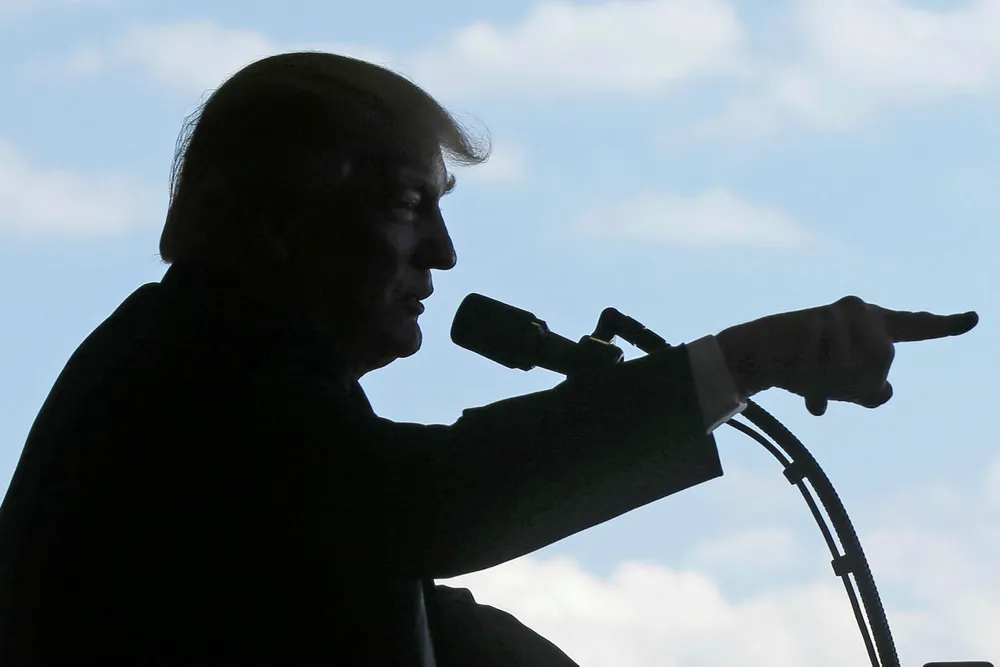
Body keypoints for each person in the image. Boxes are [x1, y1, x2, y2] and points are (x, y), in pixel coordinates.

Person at [0, 51, 977, 666]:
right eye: (405, 205)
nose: (443, 254)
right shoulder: (207, 371)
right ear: (271, 222)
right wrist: (746, 359)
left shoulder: (213, 380)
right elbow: (427, 503)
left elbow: (423, 600)